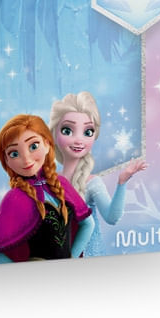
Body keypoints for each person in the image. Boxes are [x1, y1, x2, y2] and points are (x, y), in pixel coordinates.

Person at [0, 114, 94, 263]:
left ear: (46, 144)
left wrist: (72, 258)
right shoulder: (14, 198)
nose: (26, 159)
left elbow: (88, 224)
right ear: (6, 160)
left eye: (33, 146)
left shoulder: (61, 183)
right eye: (14, 153)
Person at [49, 92, 147, 256]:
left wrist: (122, 182)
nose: (79, 140)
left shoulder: (92, 183)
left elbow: (111, 217)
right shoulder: (49, 181)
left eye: (87, 132)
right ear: (54, 134)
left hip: (89, 259)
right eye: (68, 130)